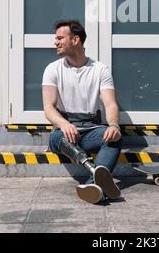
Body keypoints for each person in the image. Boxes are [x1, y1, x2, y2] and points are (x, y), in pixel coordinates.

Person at [42, 20, 122, 204]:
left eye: (60, 38)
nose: (56, 42)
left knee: (115, 137)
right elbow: (48, 108)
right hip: (62, 131)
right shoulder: (52, 69)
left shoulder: (100, 69)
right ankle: (96, 175)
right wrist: (64, 123)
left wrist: (114, 126)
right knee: (58, 137)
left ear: (75, 39)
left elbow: (110, 104)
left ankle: (93, 186)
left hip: (91, 128)